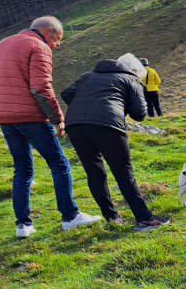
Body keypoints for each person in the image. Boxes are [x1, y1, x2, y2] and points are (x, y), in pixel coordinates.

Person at [0, 16, 100, 237]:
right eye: (58, 39)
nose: (57, 44)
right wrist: (58, 119)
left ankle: (23, 225)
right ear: (48, 32)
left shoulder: (0, 45)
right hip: (32, 118)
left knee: (22, 169)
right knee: (59, 164)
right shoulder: (38, 47)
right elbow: (41, 88)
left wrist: (6, 104)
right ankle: (70, 216)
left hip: (5, 119)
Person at [61, 53, 169, 231]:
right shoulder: (131, 79)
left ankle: (112, 218)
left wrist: (86, 106)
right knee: (124, 173)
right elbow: (139, 114)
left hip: (75, 125)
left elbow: (66, 93)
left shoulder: (87, 75)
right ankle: (144, 219)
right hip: (108, 125)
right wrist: (120, 106)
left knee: (94, 173)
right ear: (135, 71)